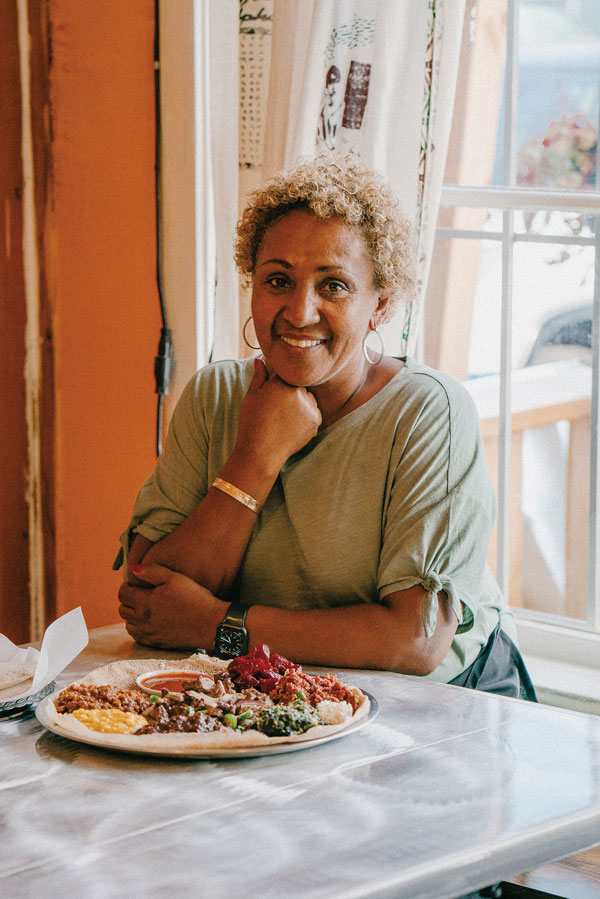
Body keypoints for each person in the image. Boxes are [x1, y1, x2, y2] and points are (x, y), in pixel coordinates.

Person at [116, 156, 536, 700]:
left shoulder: (429, 411)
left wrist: (216, 623)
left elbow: (413, 641)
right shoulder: (212, 396)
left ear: (379, 305)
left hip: (447, 701)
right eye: (277, 280)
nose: (299, 311)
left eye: (333, 286)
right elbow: (149, 600)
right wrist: (255, 459)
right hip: (274, 699)